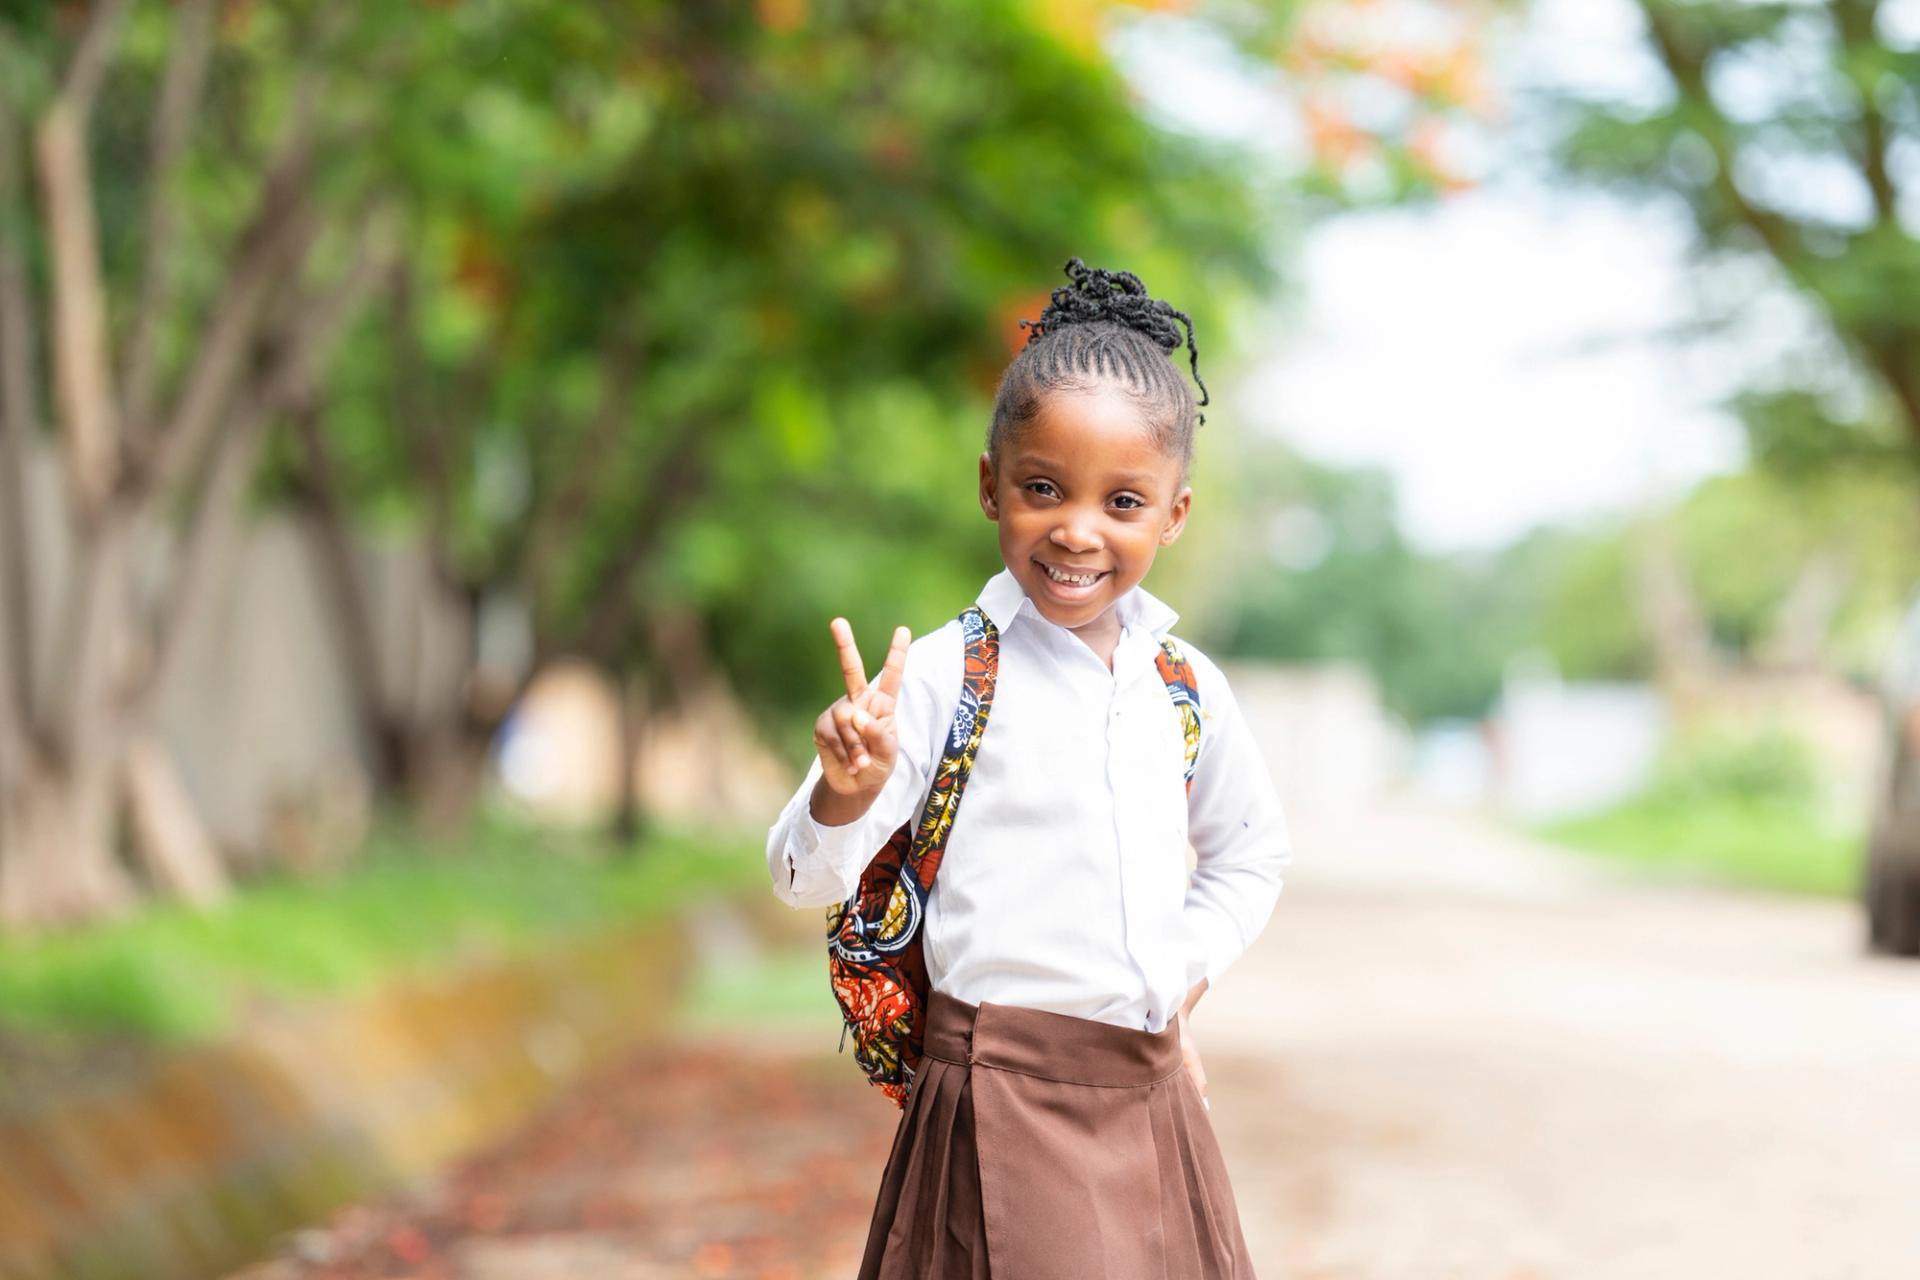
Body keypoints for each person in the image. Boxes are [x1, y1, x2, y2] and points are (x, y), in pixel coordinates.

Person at [764, 258, 1291, 1278]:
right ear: (989, 484)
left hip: (1152, 1092)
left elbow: (1251, 853)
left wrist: (1173, 975)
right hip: (998, 1095)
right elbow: (801, 875)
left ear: (1173, 514)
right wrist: (848, 790)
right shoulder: (943, 677)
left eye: (1123, 500)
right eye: (1042, 487)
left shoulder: (1183, 686)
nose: (1077, 530)